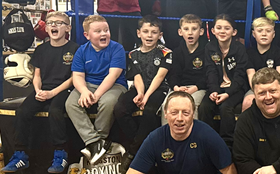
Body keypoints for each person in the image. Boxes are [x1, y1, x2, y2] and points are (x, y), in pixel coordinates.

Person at [2, 11, 78, 174]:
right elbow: (37, 75)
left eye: (59, 23)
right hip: (44, 89)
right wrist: (38, 91)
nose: (54, 26)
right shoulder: (41, 50)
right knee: (23, 111)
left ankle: (60, 153)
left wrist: (53, 93)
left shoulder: (75, 49)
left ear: (68, 28)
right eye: (50, 23)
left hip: (64, 89)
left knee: (55, 111)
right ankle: (20, 155)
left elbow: (73, 78)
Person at [66, 15, 127, 164]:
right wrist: (85, 91)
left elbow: (113, 76)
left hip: (114, 85)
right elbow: (78, 76)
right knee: (70, 103)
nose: (103, 34)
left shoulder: (117, 48)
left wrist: (97, 95)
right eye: (98, 31)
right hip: (89, 84)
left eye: (106, 30)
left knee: (108, 102)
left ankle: (100, 138)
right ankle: (94, 142)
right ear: (87, 35)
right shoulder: (81, 51)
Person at [113, 15, 172, 162]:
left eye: (154, 32)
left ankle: (133, 152)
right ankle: (141, 145)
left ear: (160, 35)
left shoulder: (166, 53)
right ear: (139, 33)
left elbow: (159, 77)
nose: (149, 35)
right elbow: (137, 76)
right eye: (146, 31)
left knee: (149, 112)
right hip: (140, 88)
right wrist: (140, 93)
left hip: (159, 89)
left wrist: (147, 96)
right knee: (120, 109)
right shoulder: (133, 54)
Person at [200, 14, 250, 147]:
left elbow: (240, 75)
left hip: (235, 88)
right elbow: (210, 71)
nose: (222, 31)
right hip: (217, 87)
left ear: (234, 32)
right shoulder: (209, 48)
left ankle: (227, 143)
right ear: (213, 31)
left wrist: (228, 93)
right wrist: (214, 91)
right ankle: (207, 141)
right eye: (219, 28)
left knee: (226, 107)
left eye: (227, 28)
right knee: (205, 106)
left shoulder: (239, 48)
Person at [164, 14, 208, 123]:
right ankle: (168, 136)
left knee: (192, 105)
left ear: (201, 31)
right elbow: (173, 74)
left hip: (199, 88)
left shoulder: (207, 50)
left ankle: (193, 137)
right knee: (168, 105)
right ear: (180, 32)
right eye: (186, 29)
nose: (190, 32)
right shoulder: (177, 51)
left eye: (194, 29)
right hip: (180, 88)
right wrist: (176, 87)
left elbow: (208, 75)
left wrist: (195, 88)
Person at [244, 17, 280, 111]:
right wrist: (260, 91)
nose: (264, 34)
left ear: (273, 34)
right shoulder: (249, 53)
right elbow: (251, 76)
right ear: (254, 34)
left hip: (276, 86)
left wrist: (272, 90)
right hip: (256, 87)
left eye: (268, 31)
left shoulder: (278, 52)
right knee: (248, 101)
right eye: (260, 31)